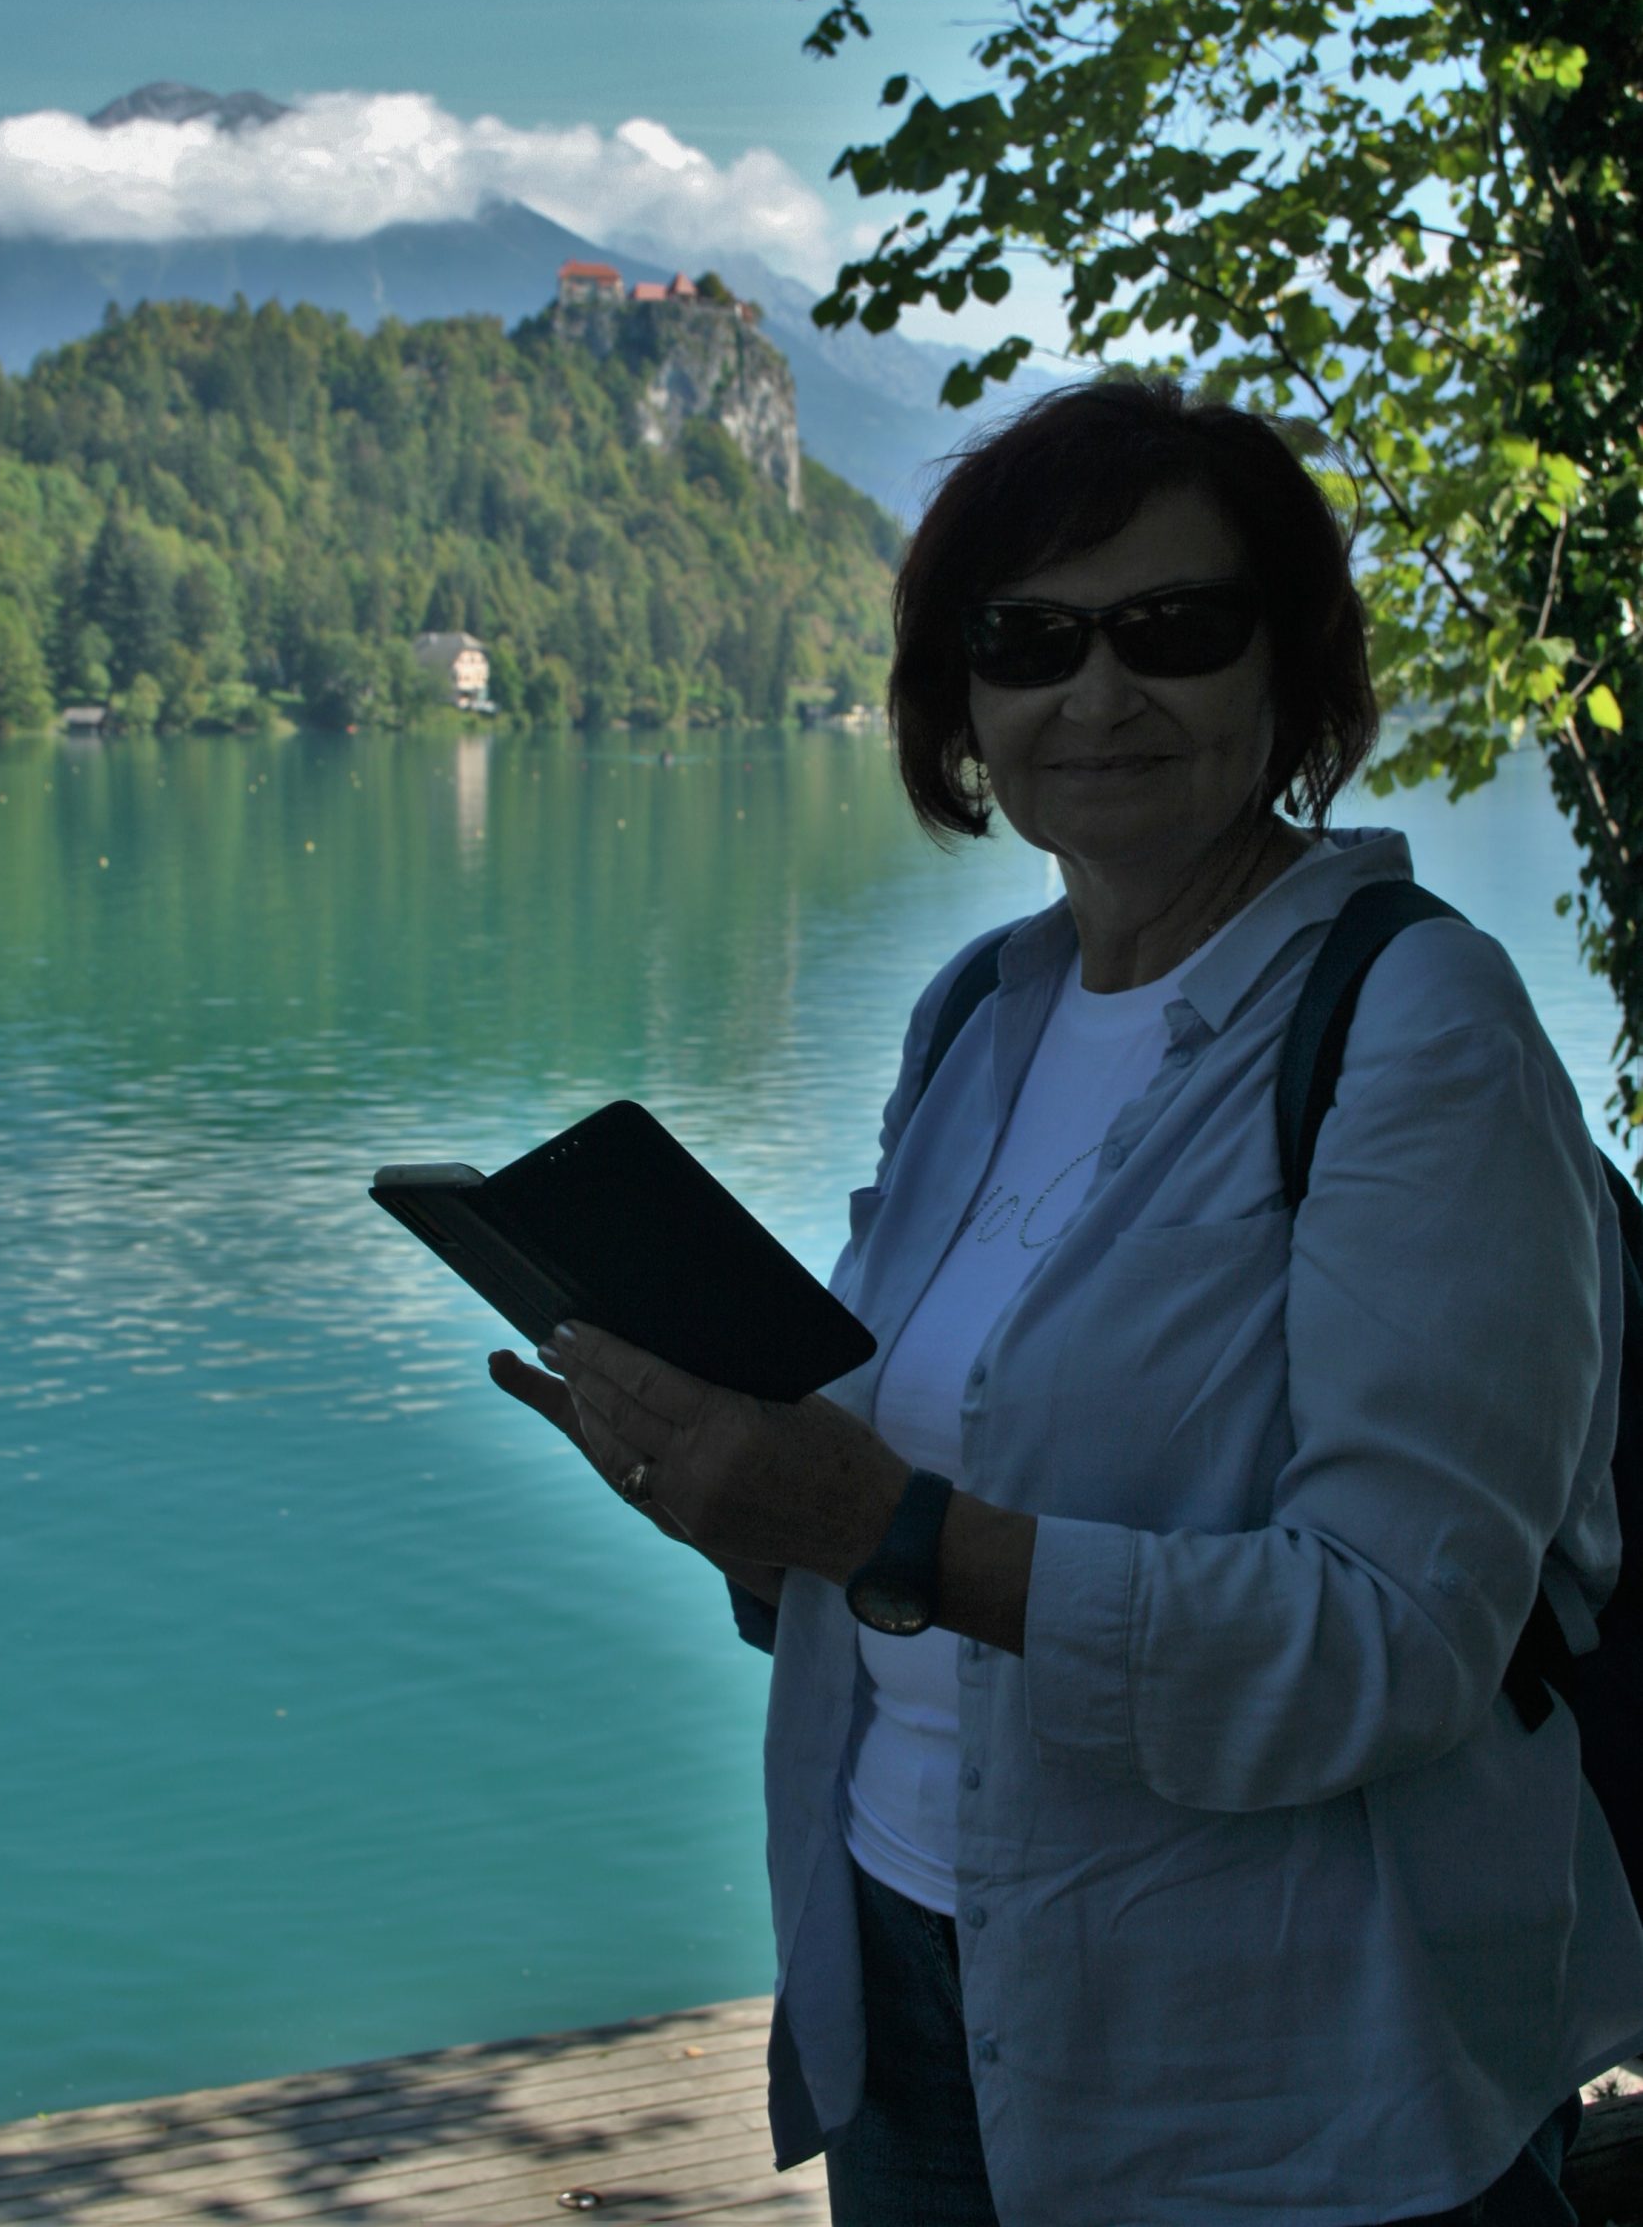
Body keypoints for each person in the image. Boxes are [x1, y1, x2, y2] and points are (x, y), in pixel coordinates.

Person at [487, 375, 1643, 2227]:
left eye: (1173, 629)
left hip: (1279, 2056)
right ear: (962, 702)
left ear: (1290, 672)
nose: (1096, 694)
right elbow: (893, 1489)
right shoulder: (982, 1013)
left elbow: (1398, 1639)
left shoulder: (1419, 1026)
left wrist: (889, 1533)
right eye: (1027, 642)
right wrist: (740, 1507)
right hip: (908, 1976)